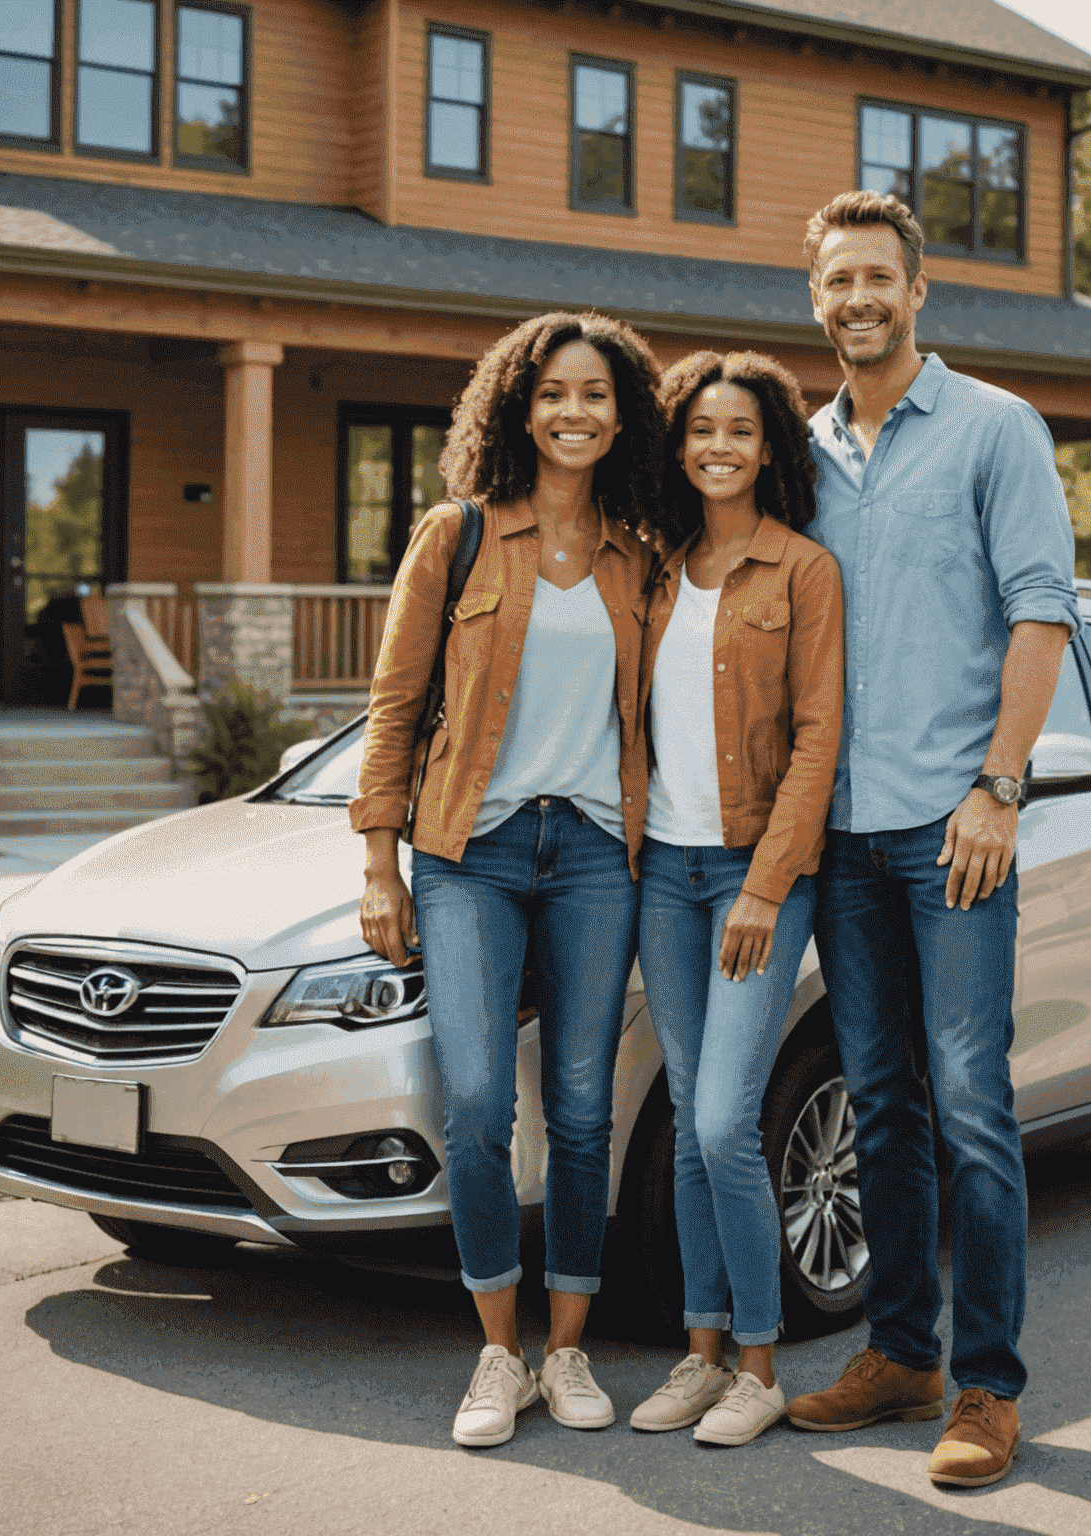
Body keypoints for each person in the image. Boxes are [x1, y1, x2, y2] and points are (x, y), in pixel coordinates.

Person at [782, 192, 1079, 1490]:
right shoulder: (803, 455)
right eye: (836, 282)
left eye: (876, 280)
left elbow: (1042, 615)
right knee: (882, 1108)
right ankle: (900, 1354)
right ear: (817, 300)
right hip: (842, 841)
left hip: (953, 834)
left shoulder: (994, 430)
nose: (857, 300)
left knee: (970, 1104)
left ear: (919, 293)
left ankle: (987, 1387)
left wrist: (997, 786)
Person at [350, 311, 664, 1450]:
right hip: (468, 853)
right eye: (553, 394)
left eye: (595, 394)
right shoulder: (461, 535)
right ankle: (497, 1353)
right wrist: (379, 863)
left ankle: (568, 1350)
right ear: (517, 409)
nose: (573, 412)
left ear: (623, 413)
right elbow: (396, 706)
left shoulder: (643, 550)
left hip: (594, 855)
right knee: (479, 1104)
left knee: (582, 1111)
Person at [626, 351, 844, 1448]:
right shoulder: (654, 568)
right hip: (662, 874)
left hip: (756, 874)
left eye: (741, 431)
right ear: (679, 444)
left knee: (723, 1122)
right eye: (701, 429)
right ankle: (700, 1353)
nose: (719, 446)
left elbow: (817, 738)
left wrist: (766, 884)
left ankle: (759, 1364)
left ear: (772, 449)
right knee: (682, 1132)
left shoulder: (802, 570)